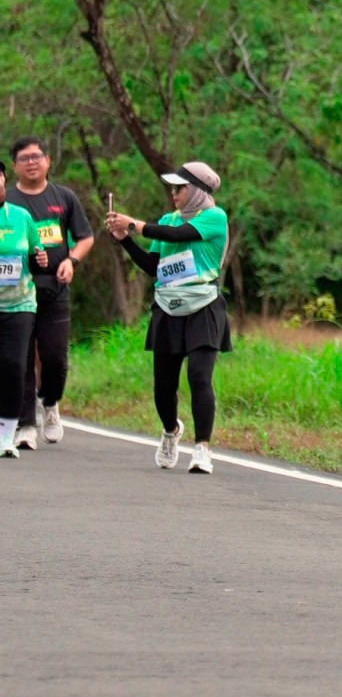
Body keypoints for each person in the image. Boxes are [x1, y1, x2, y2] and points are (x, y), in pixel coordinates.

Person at [105, 160, 230, 476]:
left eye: (180, 188)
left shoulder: (214, 217)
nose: (173, 193)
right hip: (168, 306)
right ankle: (171, 430)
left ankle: (202, 448)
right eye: (172, 188)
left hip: (203, 305)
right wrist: (124, 239)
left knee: (199, 376)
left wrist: (134, 225)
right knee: (163, 386)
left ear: (198, 190)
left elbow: (180, 235)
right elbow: (153, 266)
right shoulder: (166, 220)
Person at [10, 136, 95, 448]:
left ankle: (49, 402)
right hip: (15, 293)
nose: (31, 162)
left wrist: (72, 261)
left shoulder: (64, 197)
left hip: (55, 290)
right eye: (24, 158)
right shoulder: (8, 202)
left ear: (47, 160)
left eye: (36, 156)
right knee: (20, 358)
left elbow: (85, 237)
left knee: (54, 358)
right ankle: (25, 425)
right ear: (14, 166)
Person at [0, 157, 49, 460]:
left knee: (14, 365)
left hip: (19, 303)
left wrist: (40, 260)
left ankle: (7, 433)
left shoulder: (20, 216)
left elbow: (35, 255)